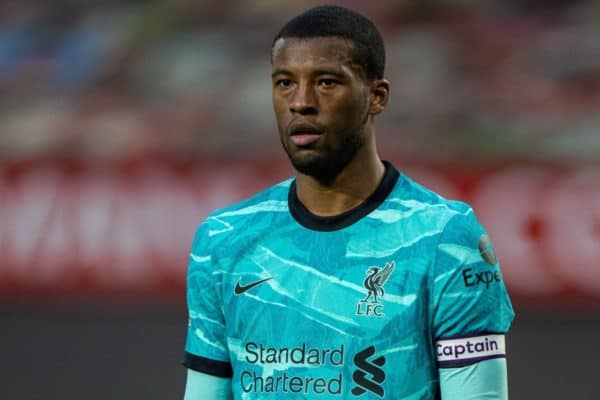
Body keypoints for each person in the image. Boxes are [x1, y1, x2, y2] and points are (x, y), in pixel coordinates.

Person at [182, 5, 514, 399]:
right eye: (285, 83)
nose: (300, 102)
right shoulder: (223, 239)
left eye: (325, 82)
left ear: (377, 96)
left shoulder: (447, 241)